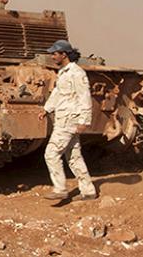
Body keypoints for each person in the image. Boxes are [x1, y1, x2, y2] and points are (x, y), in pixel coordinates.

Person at [38, 39, 98, 202]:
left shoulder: (77, 73)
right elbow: (58, 93)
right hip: (64, 118)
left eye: (55, 54)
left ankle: (60, 189)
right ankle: (88, 191)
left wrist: (84, 121)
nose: (52, 57)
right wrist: (46, 109)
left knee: (51, 153)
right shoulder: (64, 72)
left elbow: (85, 97)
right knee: (73, 156)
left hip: (69, 120)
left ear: (64, 54)